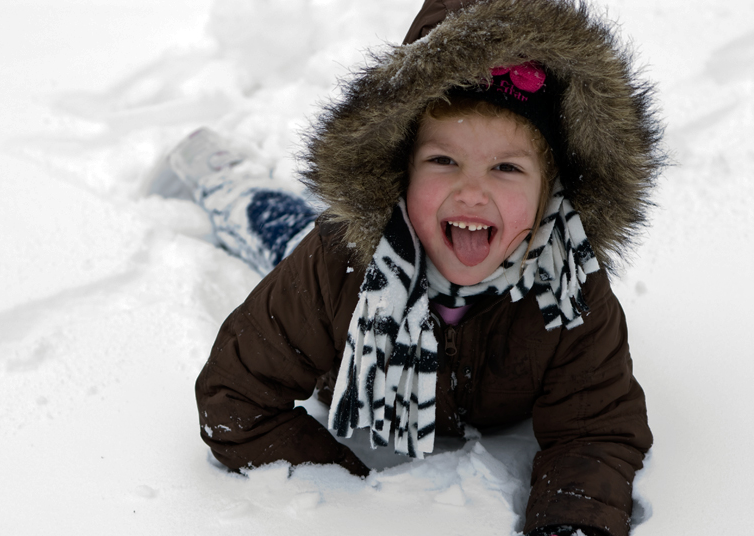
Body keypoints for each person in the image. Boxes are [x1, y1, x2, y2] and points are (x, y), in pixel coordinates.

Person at [191, 1, 664, 535]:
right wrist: (344, 490)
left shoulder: (569, 287)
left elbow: (594, 432)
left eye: (506, 168)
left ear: (549, 195)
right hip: (355, 263)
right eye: (443, 161)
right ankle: (230, 182)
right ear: (401, 173)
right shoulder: (334, 265)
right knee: (285, 230)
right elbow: (234, 400)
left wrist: (570, 525)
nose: (472, 191)